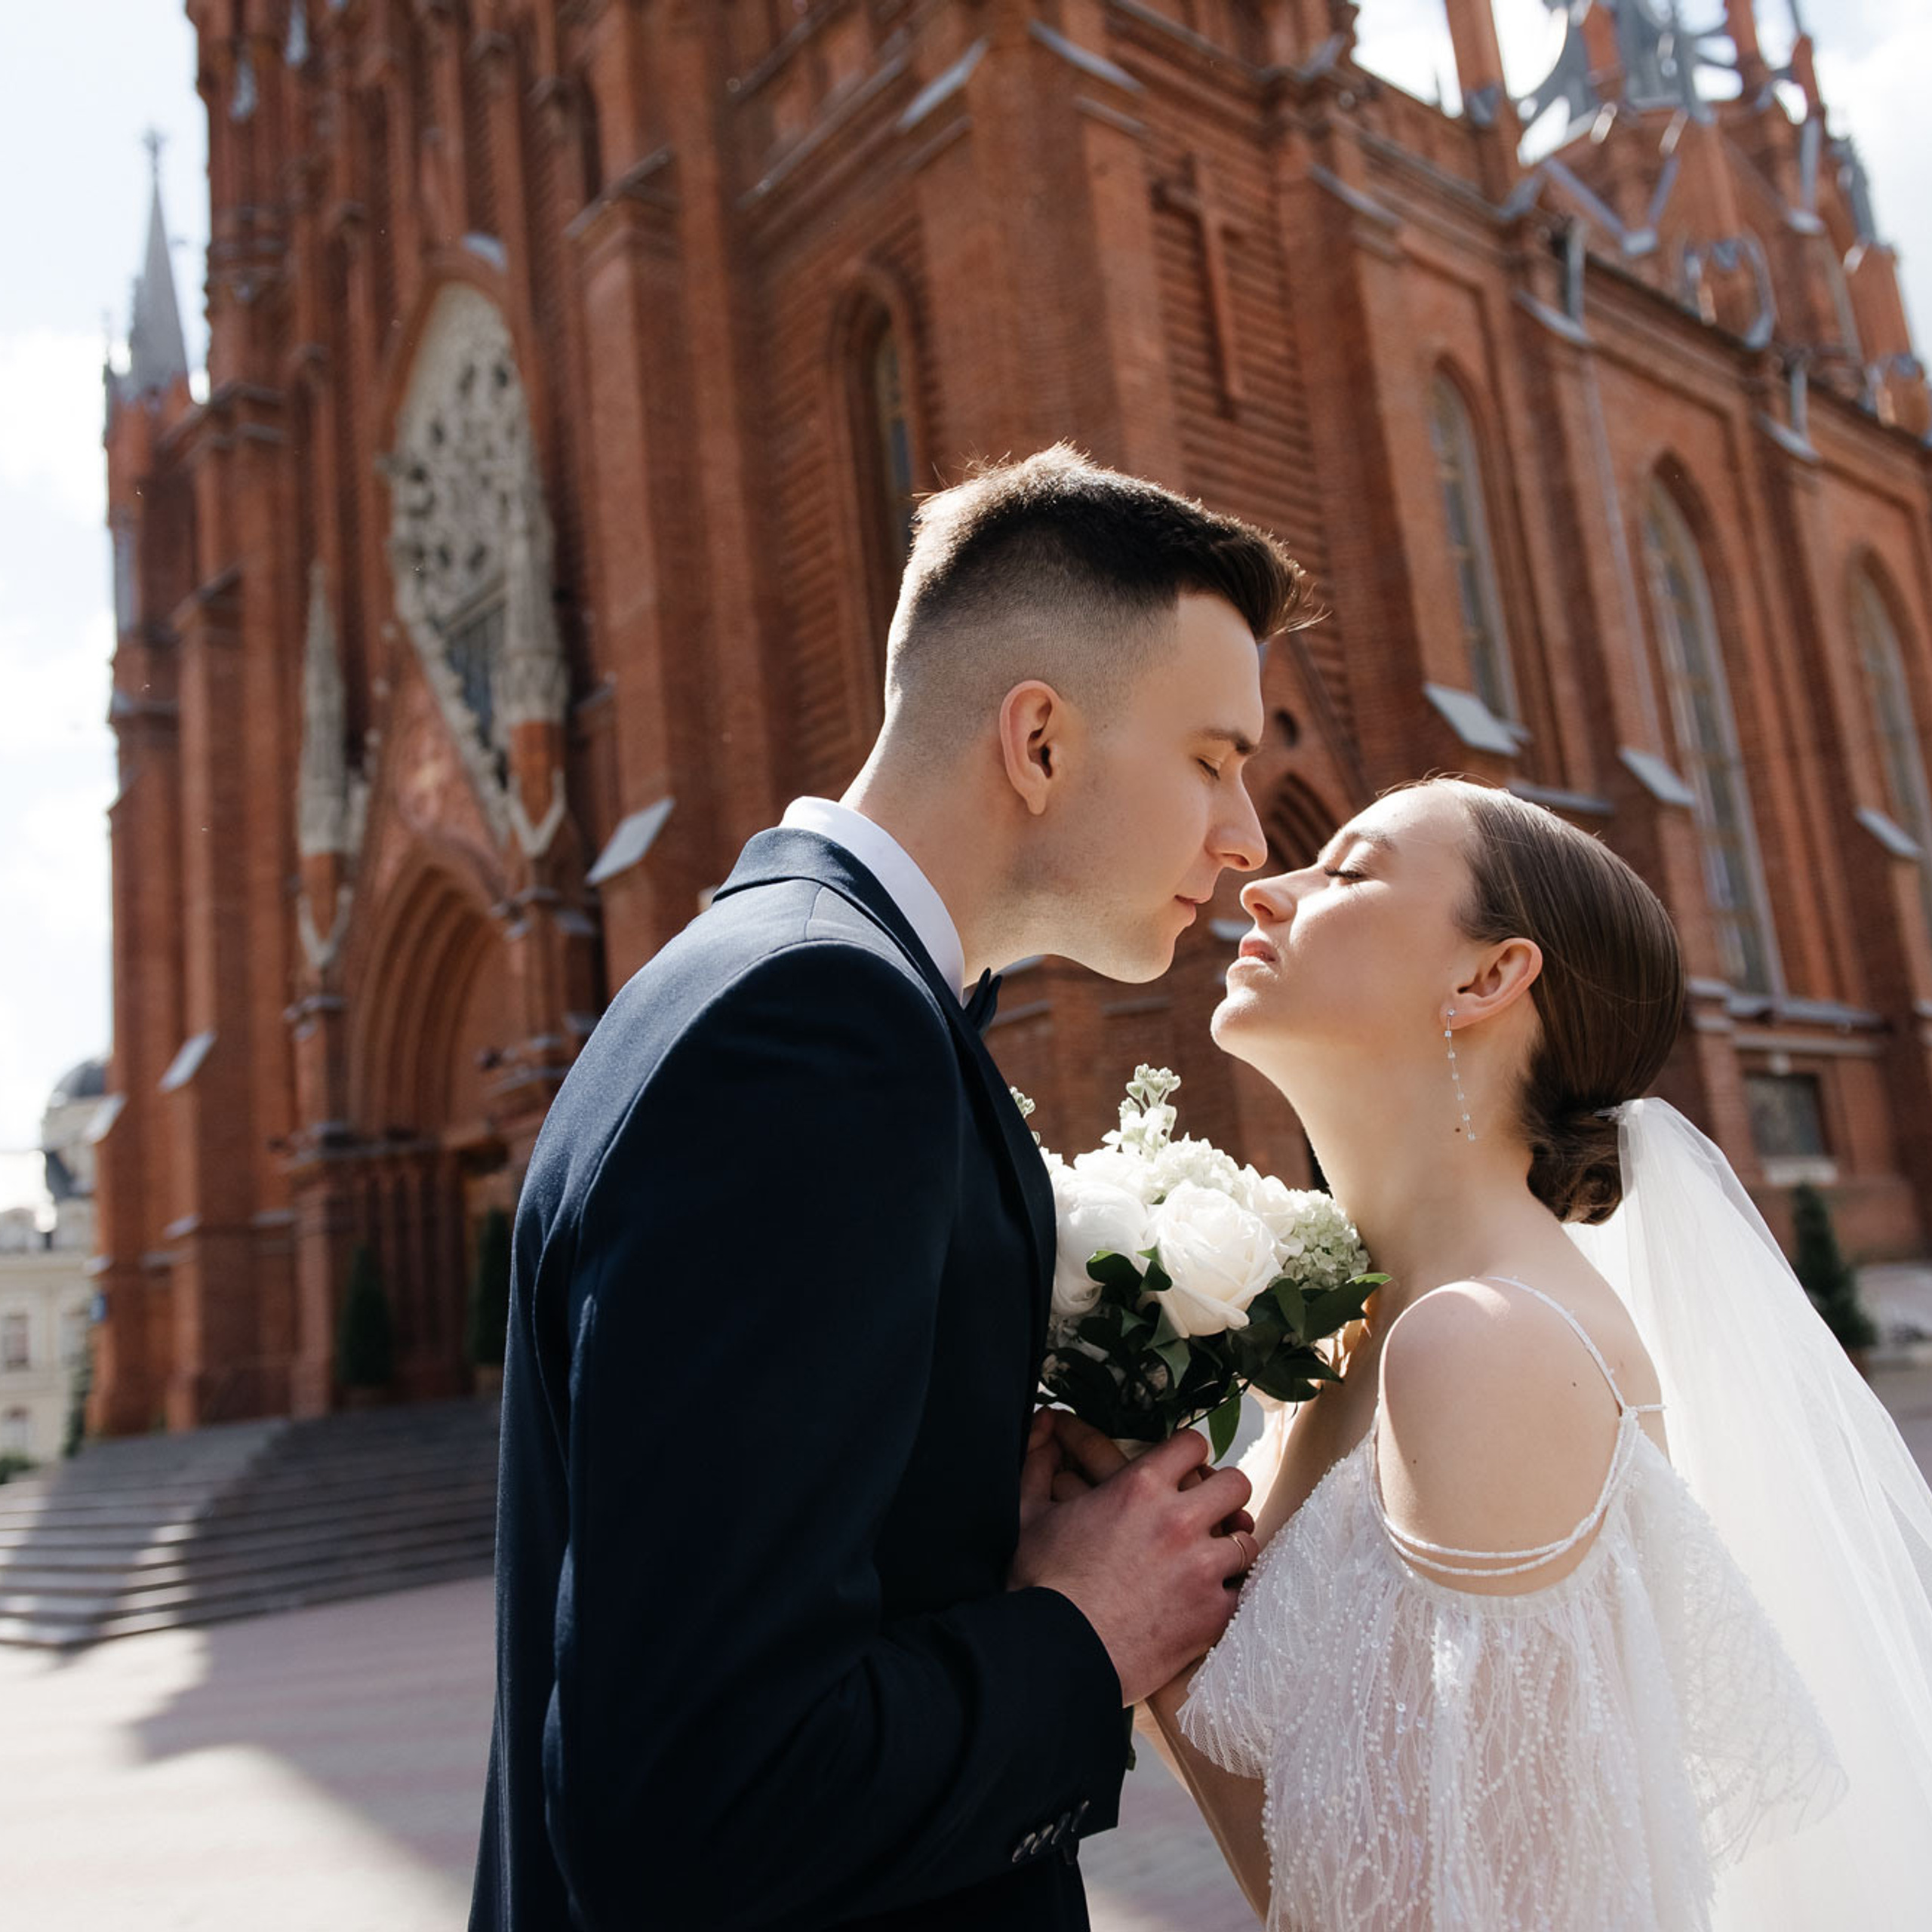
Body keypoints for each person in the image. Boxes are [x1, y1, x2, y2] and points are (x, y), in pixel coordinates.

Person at [469, 446, 1307, 1930]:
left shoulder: (788, 987)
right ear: (1037, 740)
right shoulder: (810, 1034)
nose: (1246, 835)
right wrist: (1082, 1630)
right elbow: (681, 1794)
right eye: (1207, 757)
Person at [1056, 776, 1932, 1927]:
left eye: (1349, 871)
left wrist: (1138, 1645)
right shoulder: (1350, 1336)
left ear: (1486, 978)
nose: (1265, 887)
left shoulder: (1484, 1346)